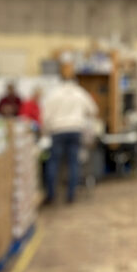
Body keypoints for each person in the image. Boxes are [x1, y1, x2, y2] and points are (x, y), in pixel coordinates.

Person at [42, 75, 98, 204]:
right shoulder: (80, 93)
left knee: (54, 162)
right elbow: (93, 110)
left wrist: (45, 131)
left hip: (57, 130)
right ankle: (71, 195)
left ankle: (51, 195)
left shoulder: (54, 94)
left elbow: (45, 116)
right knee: (73, 163)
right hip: (75, 130)